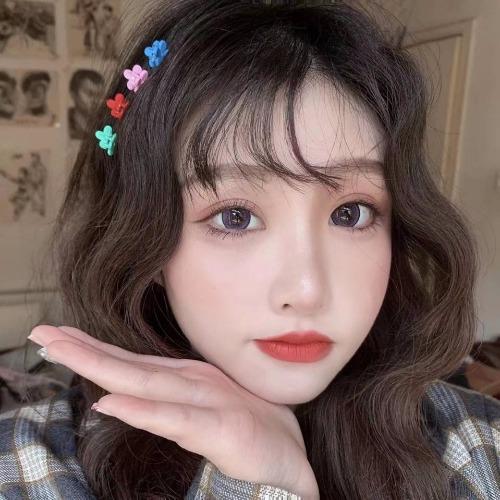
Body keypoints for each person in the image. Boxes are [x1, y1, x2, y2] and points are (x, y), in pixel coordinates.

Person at [0, 1, 499, 498]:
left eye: (351, 213)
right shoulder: (25, 469)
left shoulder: (482, 446)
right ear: (144, 244)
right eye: (234, 217)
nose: (306, 291)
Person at [68, 69, 104, 139]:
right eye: (90, 94)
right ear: (73, 94)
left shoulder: (109, 124)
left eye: (99, 95)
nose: (95, 100)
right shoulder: (64, 124)